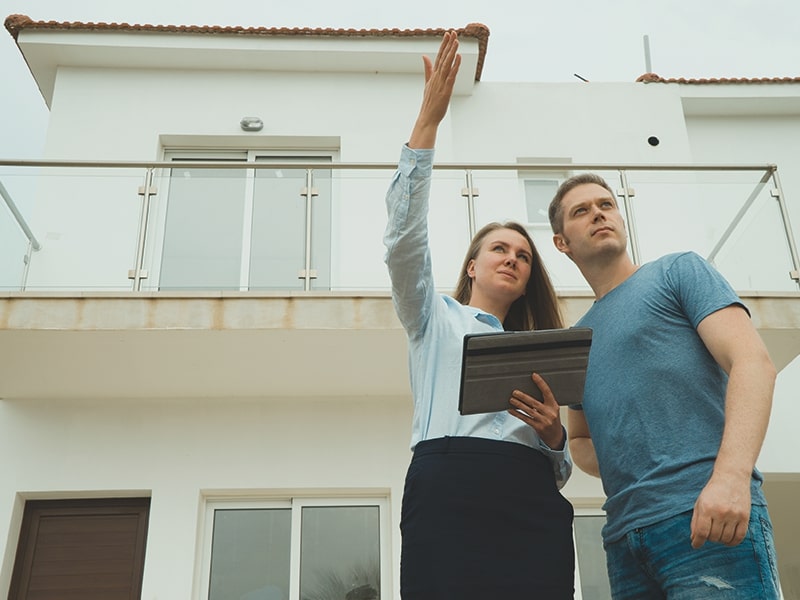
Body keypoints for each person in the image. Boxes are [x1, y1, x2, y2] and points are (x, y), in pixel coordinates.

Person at [384, 31, 575, 599]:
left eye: (523, 255)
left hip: (530, 498)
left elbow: (560, 469)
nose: (512, 259)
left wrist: (554, 435)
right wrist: (427, 126)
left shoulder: (544, 348)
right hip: (450, 487)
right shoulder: (433, 319)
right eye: (499, 249)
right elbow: (403, 244)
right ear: (471, 265)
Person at [536, 172, 781, 598]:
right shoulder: (577, 339)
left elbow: (753, 363)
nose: (599, 213)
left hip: (706, 516)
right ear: (562, 243)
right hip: (625, 541)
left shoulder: (678, 271)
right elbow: (581, 440)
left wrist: (730, 477)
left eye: (606, 205)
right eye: (582, 211)